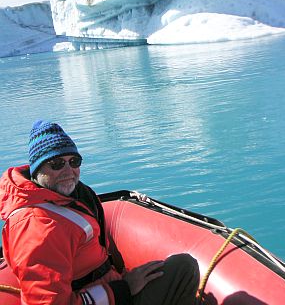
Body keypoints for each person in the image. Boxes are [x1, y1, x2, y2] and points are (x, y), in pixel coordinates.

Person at [0, 120, 200, 305]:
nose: (69, 171)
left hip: (108, 288)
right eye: (57, 164)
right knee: (183, 267)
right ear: (37, 170)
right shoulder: (38, 227)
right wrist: (124, 288)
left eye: (74, 161)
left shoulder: (65, 199)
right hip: (110, 296)